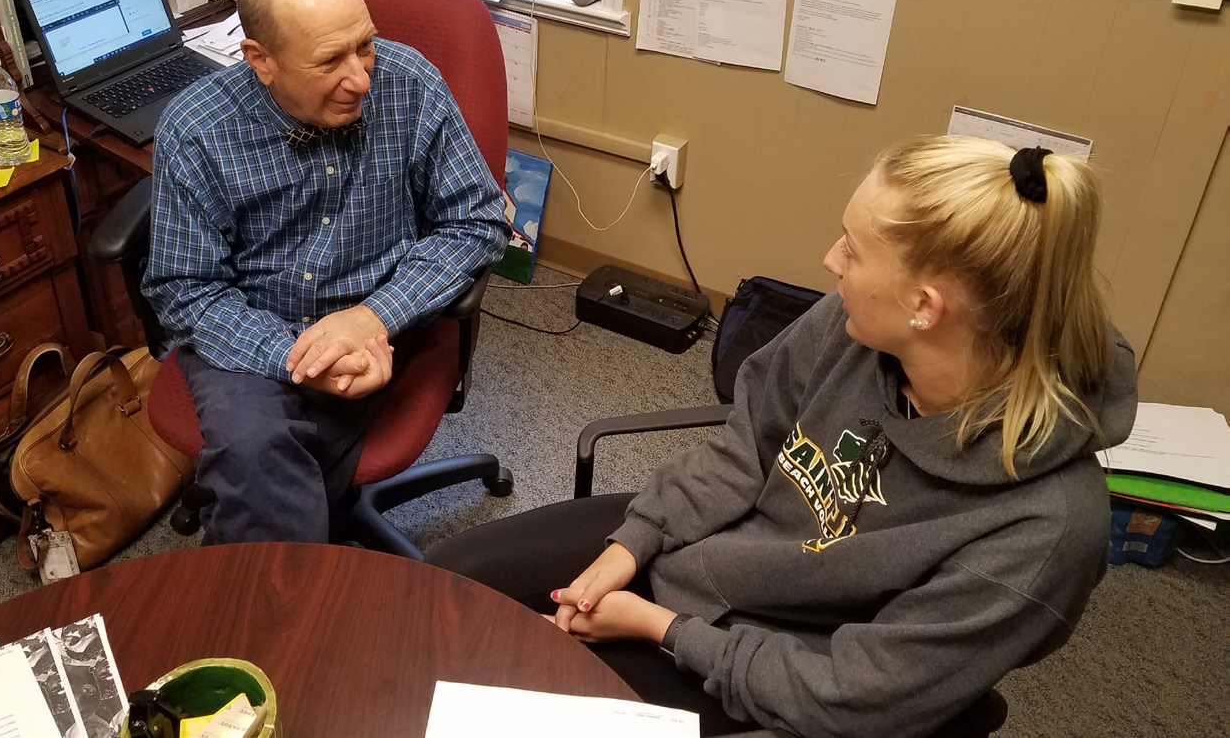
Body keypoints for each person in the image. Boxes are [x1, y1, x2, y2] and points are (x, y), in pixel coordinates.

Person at [428, 136, 1136, 738]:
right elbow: (747, 446)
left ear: (926, 306)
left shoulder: (1046, 526)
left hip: (775, 655)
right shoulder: (851, 324)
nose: (831, 261)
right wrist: (634, 541)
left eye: (854, 252)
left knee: (515, 705)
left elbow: (853, 694)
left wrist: (660, 626)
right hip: (710, 552)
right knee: (442, 585)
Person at [143, 0, 509, 544]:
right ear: (262, 61)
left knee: (263, 481)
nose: (362, 77)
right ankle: (284, 611)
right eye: (330, 60)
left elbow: (475, 220)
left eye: (365, 45)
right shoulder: (198, 129)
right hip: (253, 325)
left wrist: (371, 319)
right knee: (259, 449)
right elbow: (187, 291)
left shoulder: (409, 84)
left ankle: (274, 593)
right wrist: (300, 359)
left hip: (382, 316)